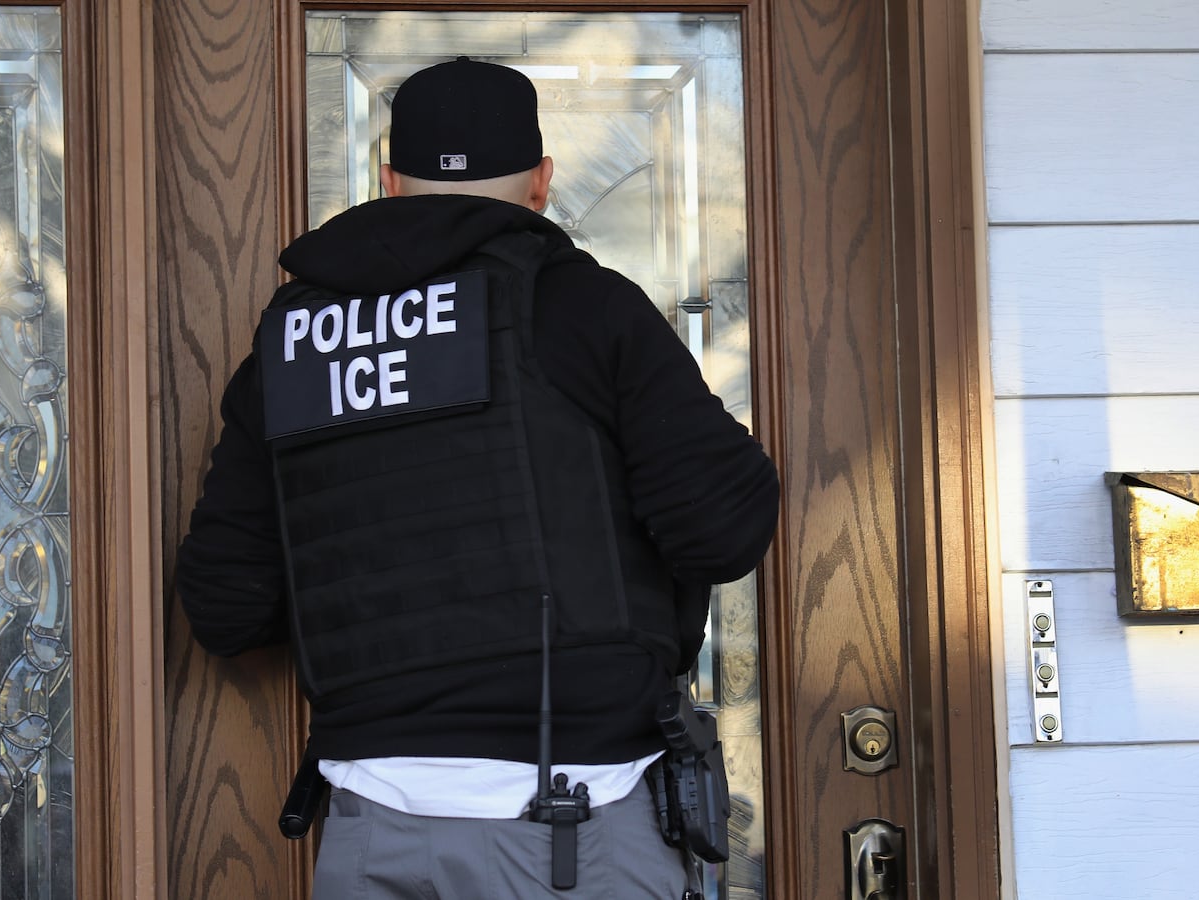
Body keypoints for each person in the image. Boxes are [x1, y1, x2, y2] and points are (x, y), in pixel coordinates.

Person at [175, 56, 779, 899]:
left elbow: (227, 606)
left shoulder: (294, 340)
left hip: (371, 834)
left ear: (388, 182)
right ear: (541, 183)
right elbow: (722, 529)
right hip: (573, 827)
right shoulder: (585, 308)